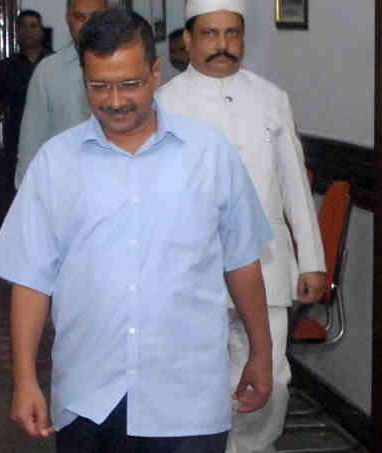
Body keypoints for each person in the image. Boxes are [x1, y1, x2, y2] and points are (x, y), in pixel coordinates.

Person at [0, 8, 275, 452]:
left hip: (187, 400)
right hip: (88, 398)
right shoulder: (55, 164)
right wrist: (25, 379)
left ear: (156, 72)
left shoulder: (209, 155)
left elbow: (242, 261)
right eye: (99, 86)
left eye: (129, 84)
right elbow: (30, 280)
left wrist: (261, 351)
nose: (115, 100)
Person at [157, 1, 326, 451]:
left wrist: (311, 261)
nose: (223, 45)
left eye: (233, 34)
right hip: (191, 268)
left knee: (270, 375)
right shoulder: (162, 103)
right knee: (199, 376)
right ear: (188, 40)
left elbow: (294, 184)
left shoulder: (271, 97)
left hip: (267, 262)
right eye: (210, 34)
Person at [14, 0, 108, 188]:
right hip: (63, 191)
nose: (88, 25)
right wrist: (26, 196)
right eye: (80, 17)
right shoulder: (47, 72)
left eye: (96, 18)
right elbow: (30, 144)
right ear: (68, 19)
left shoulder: (128, 66)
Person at [0, 9, 51, 187]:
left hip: (53, 140)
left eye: (33, 26)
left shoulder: (56, 64)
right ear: (16, 32)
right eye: (23, 26)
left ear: (42, 31)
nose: (28, 31)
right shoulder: (6, 68)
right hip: (18, 143)